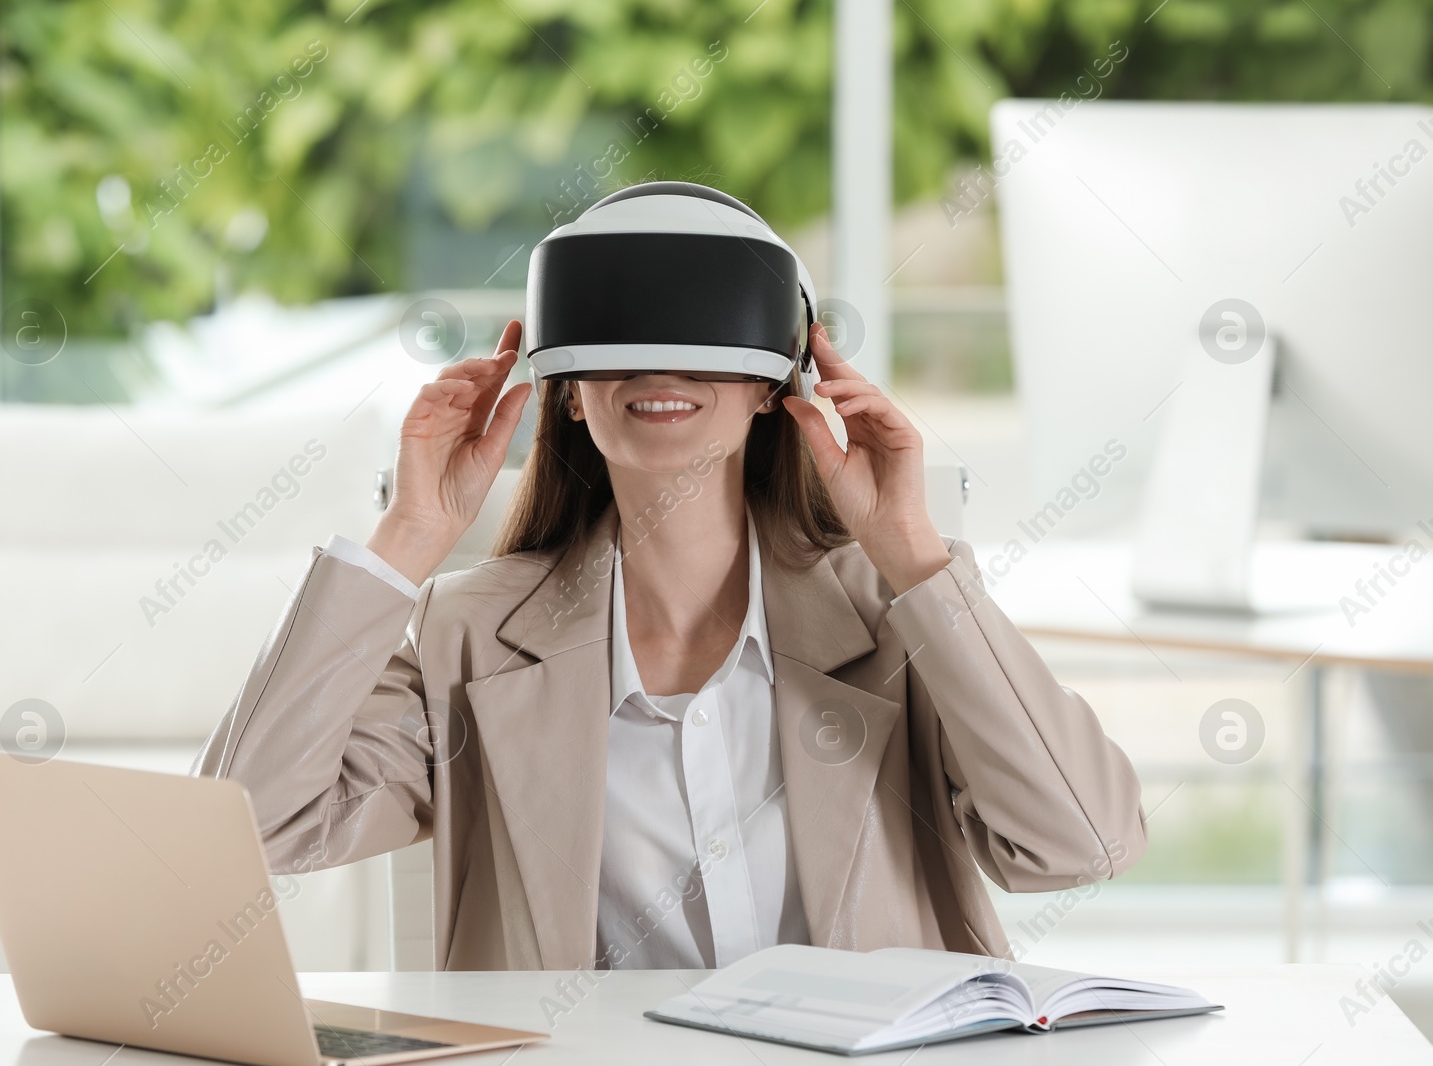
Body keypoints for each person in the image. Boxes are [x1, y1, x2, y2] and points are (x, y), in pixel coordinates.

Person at [192, 316, 1147, 973]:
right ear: (568, 394)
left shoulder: (891, 613)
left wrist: (912, 555)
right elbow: (251, 826)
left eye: (701, 332)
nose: (661, 363)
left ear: (776, 388)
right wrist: (406, 535)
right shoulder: (469, 636)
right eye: (620, 331)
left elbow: (1080, 845)